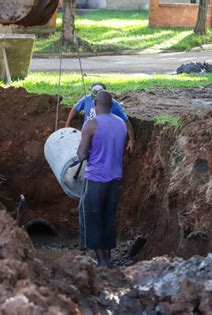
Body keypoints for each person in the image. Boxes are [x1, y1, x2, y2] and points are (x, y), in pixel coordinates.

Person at [76, 90, 128, 268]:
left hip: (95, 180)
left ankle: (101, 262)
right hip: (115, 179)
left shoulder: (91, 125)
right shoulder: (121, 123)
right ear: (111, 105)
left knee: (92, 218)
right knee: (108, 217)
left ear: (96, 104)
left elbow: (82, 154)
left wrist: (83, 150)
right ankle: (108, 257)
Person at [65, 83, 135, 153]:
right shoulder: (86, 99)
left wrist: (131, 139)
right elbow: (75, 108)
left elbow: (126, 120)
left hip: (105, 136)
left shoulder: (114, 104)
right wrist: (67, 124)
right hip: (88, 133)